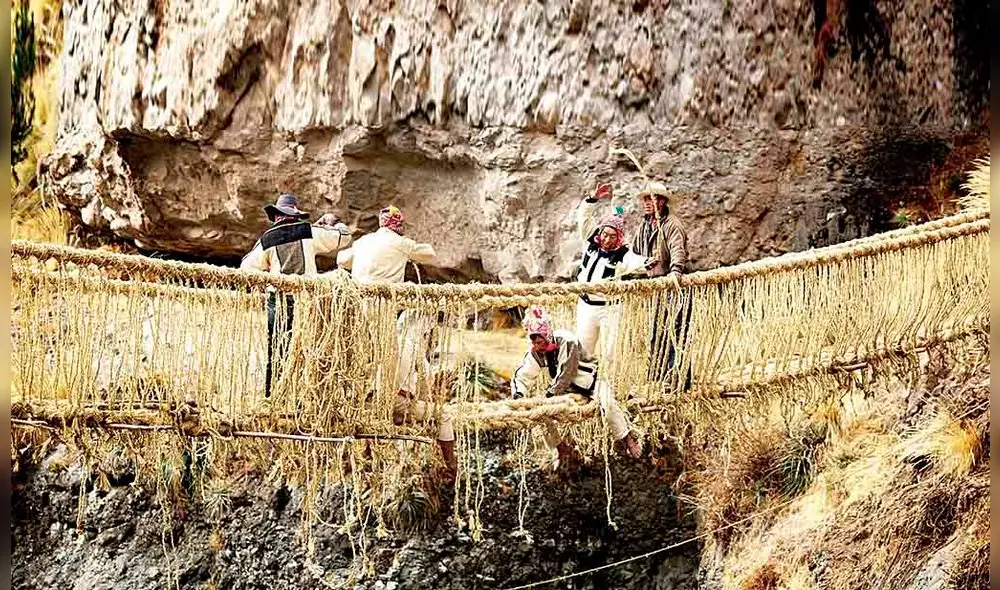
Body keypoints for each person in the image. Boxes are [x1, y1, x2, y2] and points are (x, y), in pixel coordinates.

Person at [337, 206, 456, 477]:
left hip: (355, 308)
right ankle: (451, 467)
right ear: (398, 226)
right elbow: (430, 254)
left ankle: (362, 415)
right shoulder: (400, 243)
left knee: (362, 358)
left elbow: (341, 260)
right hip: (380, 308)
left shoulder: (365, 241)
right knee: (384, 358)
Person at [240, 193, 354, 398]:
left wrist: (268, 275)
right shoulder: (309, 231)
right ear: (295, 213)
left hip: (279, 301)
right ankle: (302, 397)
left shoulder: (267, 239)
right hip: (309, 300)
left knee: (277, 350)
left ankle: (272, 395)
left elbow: (246, 268)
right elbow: (344, 237)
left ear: (277, 216)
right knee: (308, 349)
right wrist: (331, 221)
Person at [510, 306, 642, 468]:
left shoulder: (566, 340)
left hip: (590, 383)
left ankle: (626, 437)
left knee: (608, 403)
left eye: (539, 342)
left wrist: (550, 396)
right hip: (564, 393)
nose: (537, 346)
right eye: (534, 342)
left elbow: (568, 371)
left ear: (547, 336)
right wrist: (519, 395)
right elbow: (523, 375)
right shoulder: (536, 353)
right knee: (541, 413)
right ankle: (561, 447)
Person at [574, 183, 654, 362]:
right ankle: (584, 385)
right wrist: (592, 199)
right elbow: (584, 217)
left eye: (612, 236)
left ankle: (607, 388)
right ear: (600, 231)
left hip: (609, 308)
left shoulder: (623, 254)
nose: (606, 239)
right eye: (605, 234)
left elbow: (635, 261)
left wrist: (647, 263)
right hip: (586, 304)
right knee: (583, 350)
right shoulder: (591, 242)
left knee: (610, 352)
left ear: (618, 238)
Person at [629, 182, 692, 390]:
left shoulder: (672, 225)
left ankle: (678, 378)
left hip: (671, 284)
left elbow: (677, 250)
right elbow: (635, 252)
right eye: (646, 199)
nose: (647, 203)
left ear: (662, 202)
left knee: (676, 331)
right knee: (657, 332)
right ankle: (658, 377)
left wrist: (675, 272)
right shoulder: (645, 226)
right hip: (654, 286)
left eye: (652, 199)